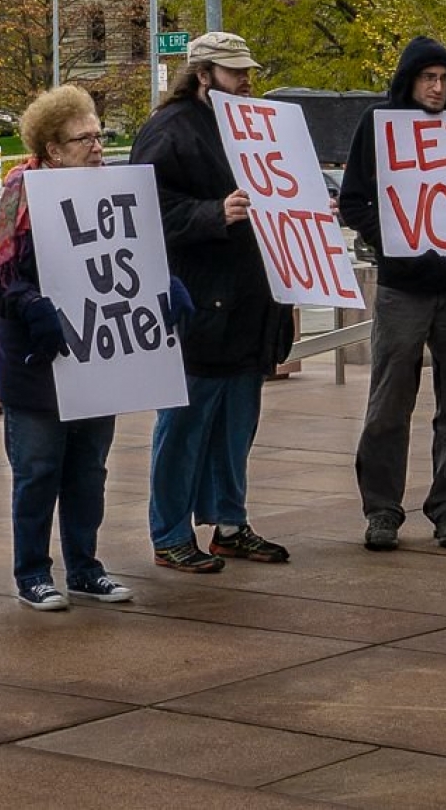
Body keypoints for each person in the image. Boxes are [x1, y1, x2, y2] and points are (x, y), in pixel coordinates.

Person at [131, 31, 296, 572]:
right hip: (199, 305)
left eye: (246, 70)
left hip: (250, 303)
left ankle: (229, 524)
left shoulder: (256, 125)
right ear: (203, 75)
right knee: (183, 427)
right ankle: (171, 533)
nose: (246, 80)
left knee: (236, 425)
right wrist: (211, 214)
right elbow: (143, 213)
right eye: (233, 72)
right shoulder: (168, 131)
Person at [0, 85, 137, 611]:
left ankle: (85, 568)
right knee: (39, 470)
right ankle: (32, 574)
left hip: (96, 354)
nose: (97, 146)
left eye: (99, 135)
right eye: (82, 138)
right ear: (52, 150)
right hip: (37, 363)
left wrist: (162, 292)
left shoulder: (113, 191)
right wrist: (32, 307)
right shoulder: (19, 195)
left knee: (89, 469)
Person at [337, 36, 446, 551]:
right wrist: (397, 239)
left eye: (445, 79)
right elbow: (352, 202)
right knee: (389, 405)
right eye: (428, 78)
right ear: (409, 81)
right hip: (403, 290)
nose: (438, 88)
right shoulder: (378, 128)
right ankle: (381, 510)